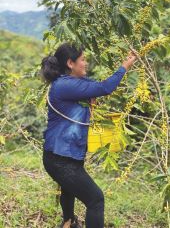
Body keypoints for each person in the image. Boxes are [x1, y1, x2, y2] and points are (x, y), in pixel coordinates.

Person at [39, 41, 137, 228]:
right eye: (83, 60)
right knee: (96, 200)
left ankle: (68, 223)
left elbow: (95, 87)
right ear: (70, 63)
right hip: (60, 158)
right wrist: (125, 65)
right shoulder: (64, 85)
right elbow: (104, 88)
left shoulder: (73, 83)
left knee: (69, 189)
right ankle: (68, 222)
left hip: (63, 154)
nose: (86, 63)